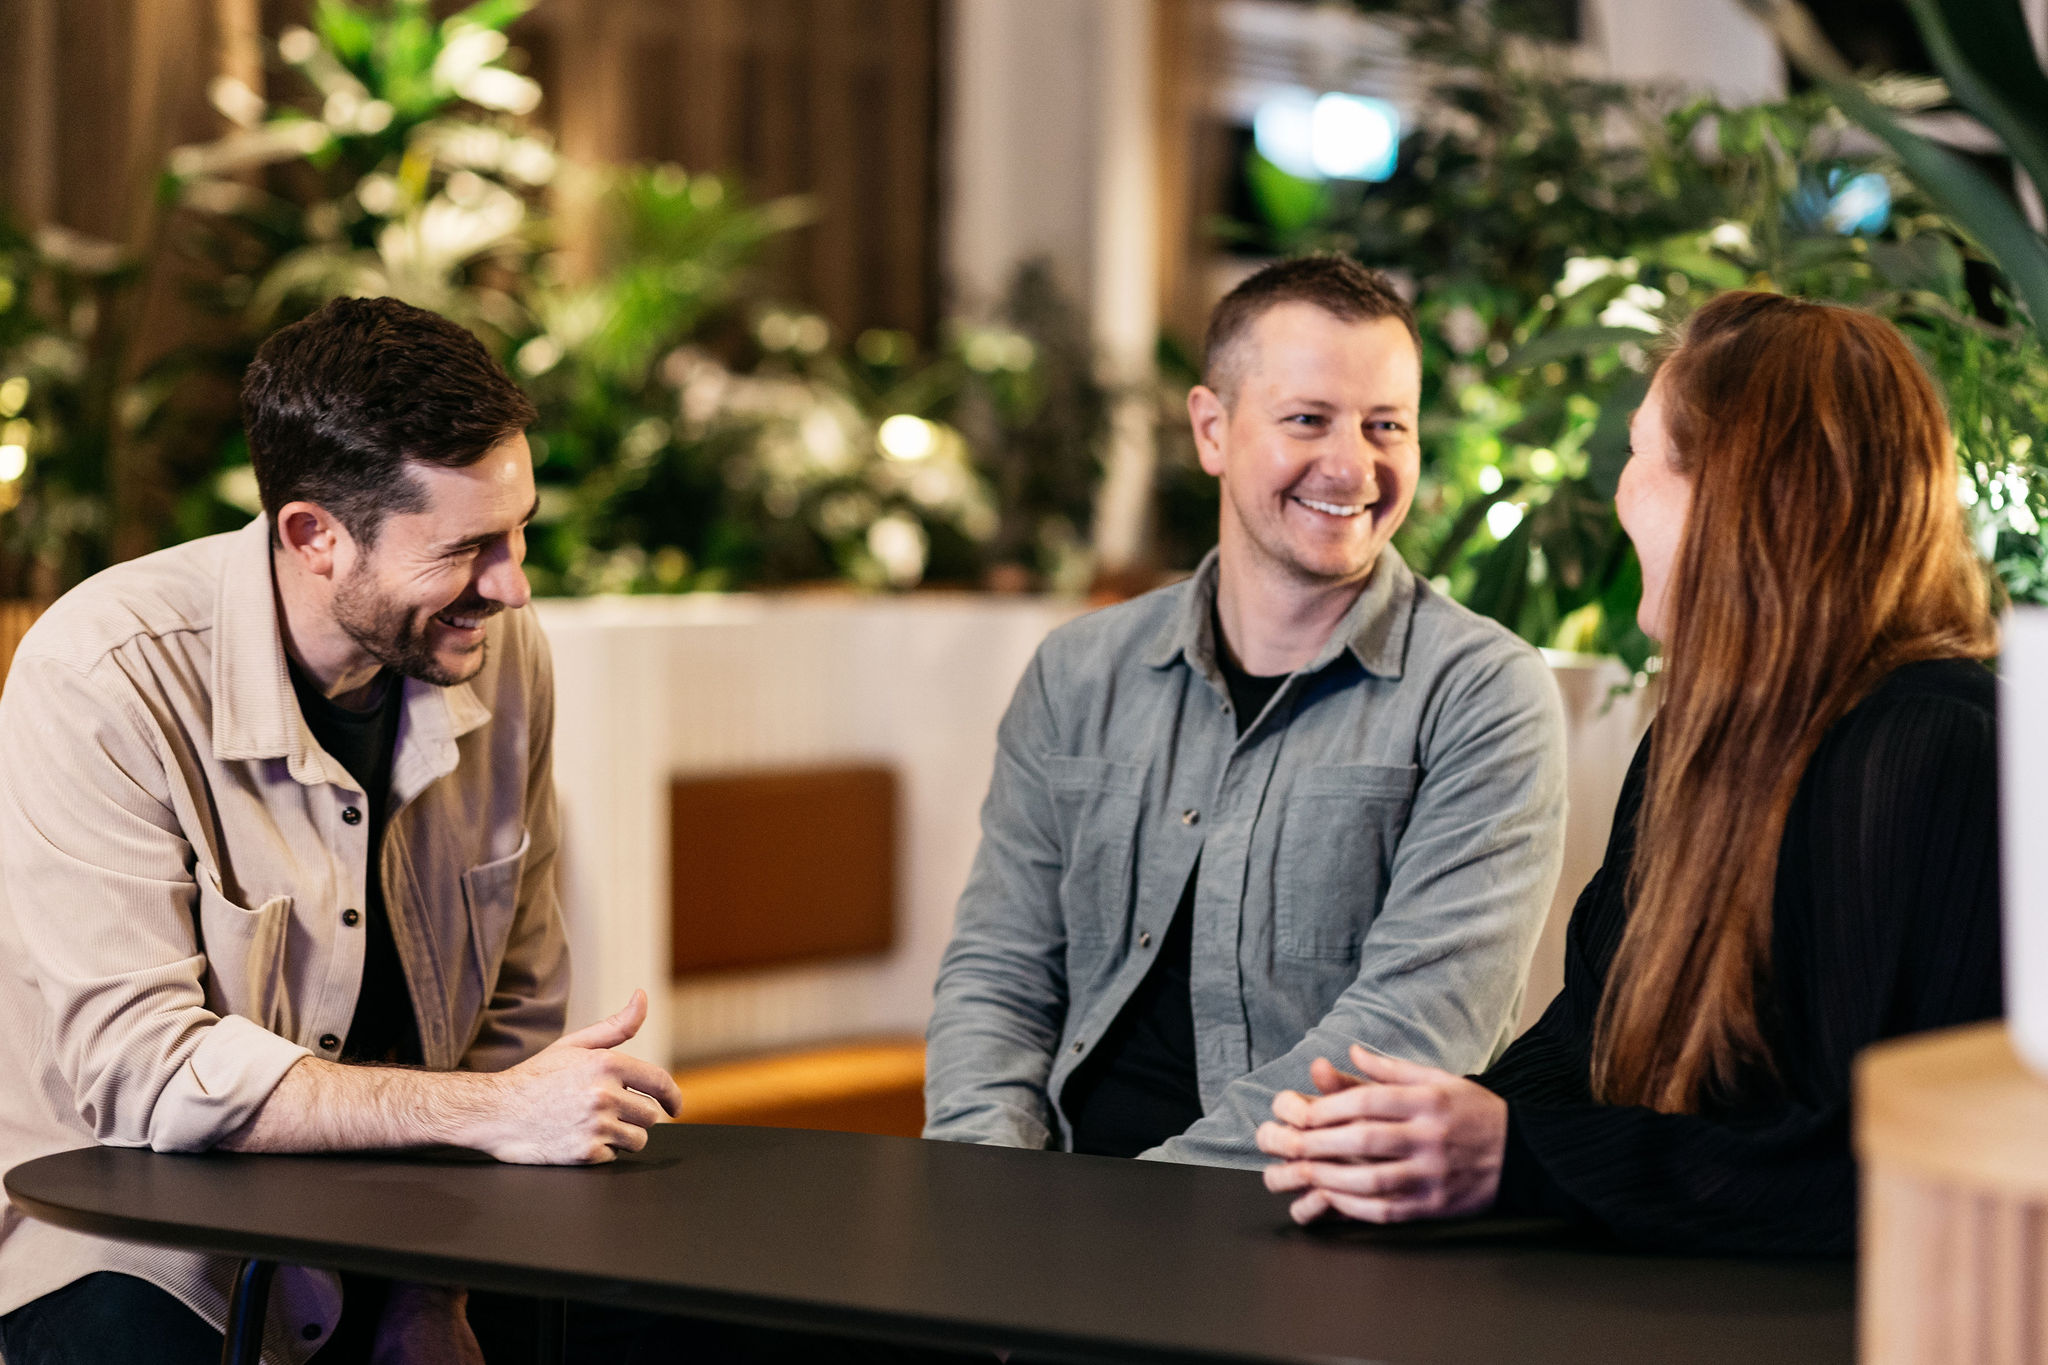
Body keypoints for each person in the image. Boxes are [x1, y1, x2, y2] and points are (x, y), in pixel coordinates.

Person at [0, 296, 681, 1364]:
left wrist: (434, 1295)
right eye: (467, 550)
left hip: (411, 1225)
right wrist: (487, 1113)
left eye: (519, 532)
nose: (512, 586)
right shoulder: (104, 672)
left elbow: (513, 1012)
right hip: (136, 1243)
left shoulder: (502, 652)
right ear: (314, 536)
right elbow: (143, 1073)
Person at [1257, 290, 2003, 1255]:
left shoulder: (1938, 754)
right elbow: (1584, 1046)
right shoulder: (1697, 737)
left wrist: (1516, 1155)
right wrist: (1418, 1130)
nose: (1620, 493)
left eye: (1639, 456)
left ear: (1735, 493)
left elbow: (1879, 1171)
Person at [923, 255, 1568, 1167]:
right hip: (1055, 1200)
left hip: (1304, 1223)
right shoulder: (1080, 672)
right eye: (1308, 420)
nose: (1352, 465)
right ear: (1212, 429)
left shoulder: (1482, 695)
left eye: (1388, 425)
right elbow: (1000, 972)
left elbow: (1411, 1031)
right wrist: (979, 1175)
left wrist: (1151, 1204)